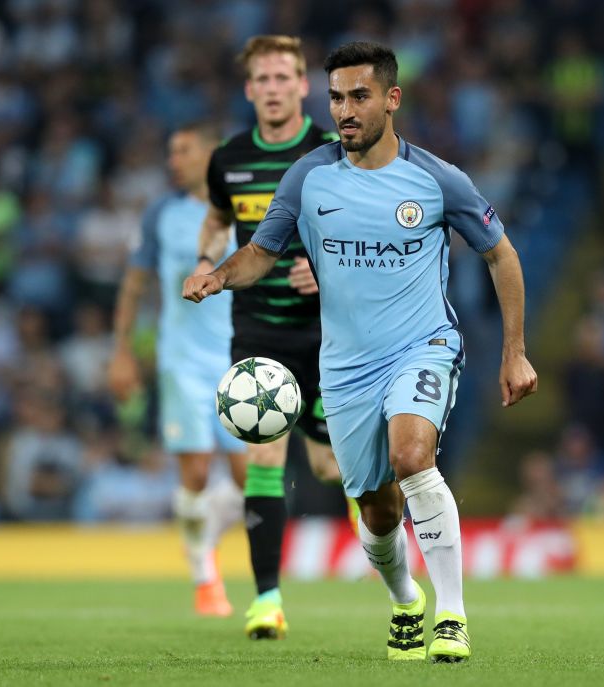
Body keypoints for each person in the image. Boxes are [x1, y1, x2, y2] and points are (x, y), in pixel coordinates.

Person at [183, 41, 537, 663]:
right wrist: (217, 275)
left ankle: (452, 615)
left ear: (392, 99)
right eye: (337, 98)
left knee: (412, 455)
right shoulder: (309, 176)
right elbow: (262, 251)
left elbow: (500, 254)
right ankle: (406, 599)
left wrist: (515, 351)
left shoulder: (436, 180)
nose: (345, 110)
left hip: (422, 347)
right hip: (344, 368)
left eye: (359, 96)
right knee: (375, 510)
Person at [194, 35, 353, 640]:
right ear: (249, 89)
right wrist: (206, 259)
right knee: (262, 453)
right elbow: (216, 218)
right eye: (262, 79)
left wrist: (328, 268)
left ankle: (394, 579)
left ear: (302, 84)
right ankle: (266, 602)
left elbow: (365, 227)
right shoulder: (229, 158)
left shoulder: (333, 152)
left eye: (284, 77)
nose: (273, 88)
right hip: (258, 331)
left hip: (329, 334)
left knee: (334, 466)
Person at [108, 123, 246, 617]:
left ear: (211, 156)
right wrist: (121, 349)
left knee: (252, 481)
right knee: (195, 470)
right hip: (181, 361)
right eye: (170, 151)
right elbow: (134, 283)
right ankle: (204, 576)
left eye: (183, 151)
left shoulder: (240, 207)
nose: (173, 160)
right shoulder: (160, 213)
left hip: (238, 359)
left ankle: (201, 535)